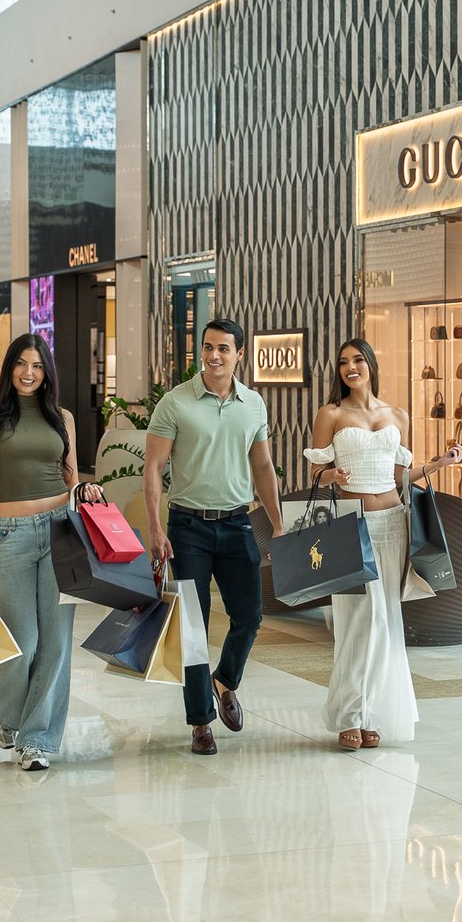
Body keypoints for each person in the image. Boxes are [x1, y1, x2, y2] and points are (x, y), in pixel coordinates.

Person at [0, 334, 102, 772]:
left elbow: (70, 475)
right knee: (21, 641)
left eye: (38, 366)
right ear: (9, 367)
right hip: (10, 535)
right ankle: (4, 710)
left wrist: (85, 490)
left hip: (62, 533)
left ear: (47, 373)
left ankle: (38, 741)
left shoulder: (62, 417)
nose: (29, 373)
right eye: (22, 365)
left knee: (56, 642)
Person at [304, 338, 462, 750]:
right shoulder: (331, 413)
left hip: (393, 525)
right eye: (343, 362)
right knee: (359, 620)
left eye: (358, 360)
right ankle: (348, 715)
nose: (350, 367)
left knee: (386, 621)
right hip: (349, 527)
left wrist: (439, 465)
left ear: (372, 364)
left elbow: (399, 479)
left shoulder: (398, 415)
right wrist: (331, 477)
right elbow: (315, 476)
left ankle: (372, 712)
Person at [145, 319, 285, 755]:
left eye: (224, 349)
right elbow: (152, 467)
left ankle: (225, 679)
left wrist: (278, 525)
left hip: (237, 522)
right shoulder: (175, 403)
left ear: (239, 354)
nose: (214, 355)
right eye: (208, 347)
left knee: (250, 615)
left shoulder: (253, 405)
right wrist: (153, 526)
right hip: (188, 528)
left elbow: (262, 467)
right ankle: (200, 721)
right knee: (192, 627)